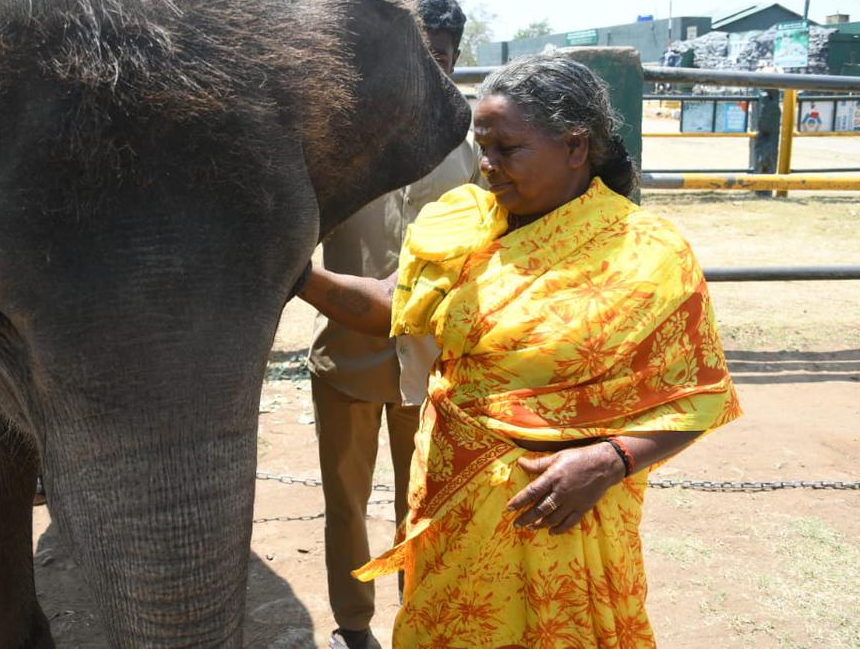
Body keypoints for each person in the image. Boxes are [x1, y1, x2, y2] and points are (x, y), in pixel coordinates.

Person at [297, 54, 741, 648]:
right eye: (483, 147)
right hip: (456, 505)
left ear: (576, 146)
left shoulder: (647, 253)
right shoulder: (467, 223)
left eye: (507, 149)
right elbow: (394, 305)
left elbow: (699, 398)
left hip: (565, 518)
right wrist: (298, 275)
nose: (487, 167)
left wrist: (612, 460)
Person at [307, 0, 481, 649]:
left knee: (427, 502)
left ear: (456, 59)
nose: (426, 69)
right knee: (345, 504)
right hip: (346, 354)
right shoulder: (340, 139)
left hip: (436, 361)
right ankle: (354, 623)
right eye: (414, 52)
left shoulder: (474, 148)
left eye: (438, 55)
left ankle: (421, 612)